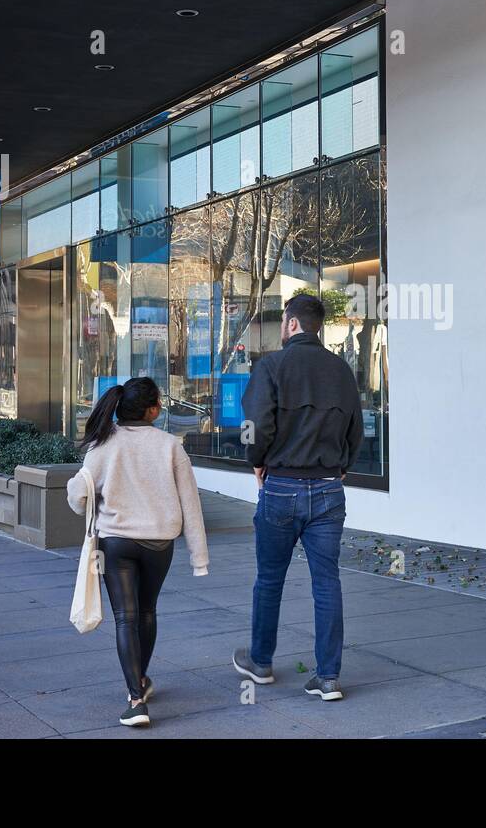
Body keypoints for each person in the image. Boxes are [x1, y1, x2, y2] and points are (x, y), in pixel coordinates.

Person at [232, 293, 363, 701]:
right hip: (328, 488)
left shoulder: (270, 365)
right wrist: (340, 467)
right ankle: (327, 678)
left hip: (281, 486)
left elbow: (253, 425)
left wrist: (256, 461)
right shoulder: (341, 370)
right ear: (318, 326)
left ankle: (262, 663)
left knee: (270, 579)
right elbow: (355, 430)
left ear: (290, 324)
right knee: (327, 582)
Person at [66, 376, 209, 727]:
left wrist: (81, 492)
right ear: (153, 410)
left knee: (125, 618)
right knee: (146, 611)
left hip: (115, 543)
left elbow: (79, 495)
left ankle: (135, 698)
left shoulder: (102, 444)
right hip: (160, 543)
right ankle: (141, 680)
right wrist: (199, 557)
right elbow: (191, 503)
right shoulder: (170, 445)